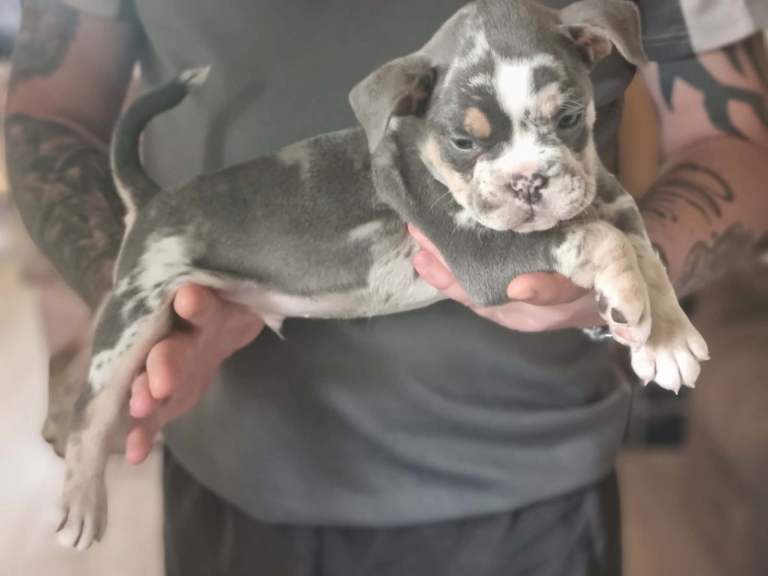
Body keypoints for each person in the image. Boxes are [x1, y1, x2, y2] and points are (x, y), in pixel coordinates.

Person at [6, 0, 768, 574]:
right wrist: (161, 309)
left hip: (528, 480)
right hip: (241, 461)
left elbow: (732, 139)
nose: (529, 173)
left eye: (564, 120)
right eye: (470, 138)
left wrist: (634, 276)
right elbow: (51, 107)